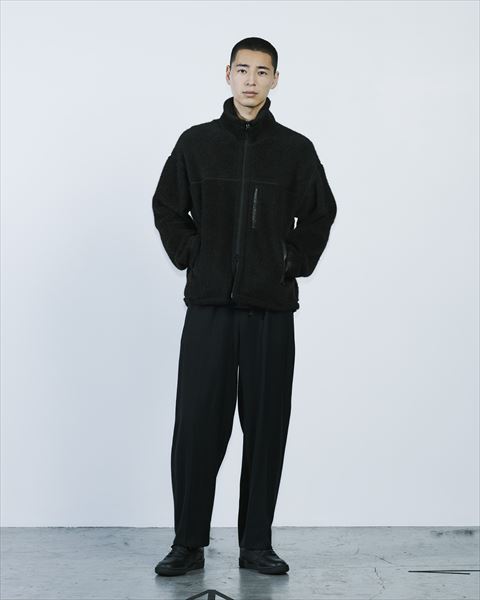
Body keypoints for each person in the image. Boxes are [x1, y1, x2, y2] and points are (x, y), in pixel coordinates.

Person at [152, 37, 337, 577]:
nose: (251, 80)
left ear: (275, 79)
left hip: (269, 311)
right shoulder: (196, 143)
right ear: (227, 74)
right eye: (243, 69)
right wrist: (195, 254)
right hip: (209, 307)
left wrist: (288, 261)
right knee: (197, 428)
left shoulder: (295, 150)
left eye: (262, 71)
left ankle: (256, 544)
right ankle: (188, 543)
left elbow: (320, 214)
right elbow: (167, 207)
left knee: (266, 427)